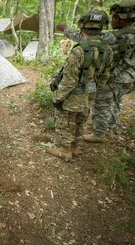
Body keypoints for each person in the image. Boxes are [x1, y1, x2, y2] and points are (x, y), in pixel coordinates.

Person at [58, 0, 135, 142]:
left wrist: (66, 29)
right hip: (129, 76)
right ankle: (110, 127)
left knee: (102, 103)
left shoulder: (112, 37)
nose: (113, 21)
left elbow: (87, 38)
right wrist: (131, 70)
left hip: (112, 76)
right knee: (115, 100)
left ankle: (99, 134)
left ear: (124, 19)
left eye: (115, 18)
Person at [48, 10, 113, 161]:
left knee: (65, 121)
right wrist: (93, 92)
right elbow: (105, 76)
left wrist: (58, 98)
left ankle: (65, 150)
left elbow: (69, 80)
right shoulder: (107, 50)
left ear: (82, 27)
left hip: (73, 95)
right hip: (89, 94)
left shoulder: (79, 50)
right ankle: (75, 148)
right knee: (80, 121)